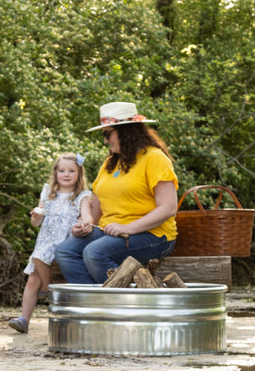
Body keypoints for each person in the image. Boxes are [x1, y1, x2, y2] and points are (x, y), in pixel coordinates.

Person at [54, 101, 179, 284]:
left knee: (95, 252)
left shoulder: (155, 158)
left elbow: (168, 208)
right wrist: (84, 225)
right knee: (65, 251)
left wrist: (127, 227)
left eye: (107, 133)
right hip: (112, 232)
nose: (105, 140)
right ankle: (95, 303)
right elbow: (95, 208)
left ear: (126, 131)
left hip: (154, 235)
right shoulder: (110, 163)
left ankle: (121, 303)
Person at [9, 153, 94, 333]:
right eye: (62, 170)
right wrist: (36, 216)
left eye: (71, 171)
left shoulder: (82, 196)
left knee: (38, 260)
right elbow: (36, 223)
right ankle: (24, 319)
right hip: (45, 240)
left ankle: (46, 289)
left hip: (65, 242)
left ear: (79, 174)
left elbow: (88, 217)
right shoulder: (48, 192)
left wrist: (84, 224)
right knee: (32, 280)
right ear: (55, 173)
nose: (66, 174)